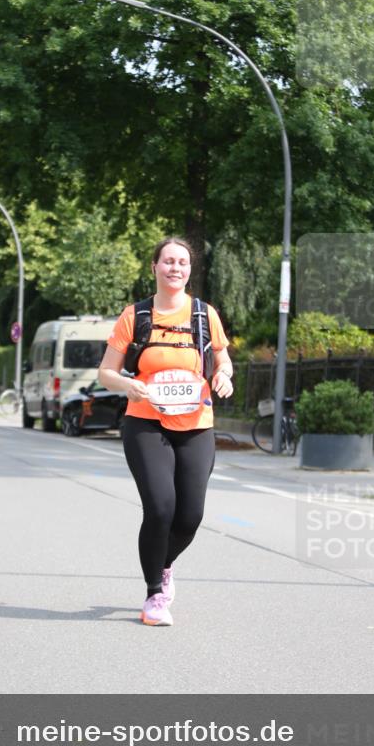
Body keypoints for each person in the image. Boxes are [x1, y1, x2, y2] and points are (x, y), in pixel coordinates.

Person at [98, 237, 233, 626]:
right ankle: (155, 594)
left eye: (183, 263)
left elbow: (223, 361)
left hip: (196, 425)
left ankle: (165, 563)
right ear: (155, 267)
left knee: (189, 515)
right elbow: (106, 372)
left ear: (190, 271)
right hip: (145, 421)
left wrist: (224, 375)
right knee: (160, 507)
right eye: (169, 261)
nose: (176, 268)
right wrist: (127, 385)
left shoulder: (205, 316)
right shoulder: (135, 315)